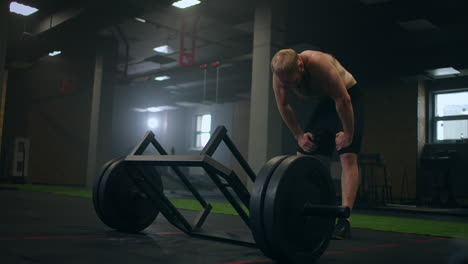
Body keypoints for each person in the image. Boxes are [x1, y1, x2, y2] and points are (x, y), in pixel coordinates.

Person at [271, 48, 363, 239]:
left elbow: (343, 100)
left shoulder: (319, 63)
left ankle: (344, 221)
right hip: (327, 101)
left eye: (292, 81)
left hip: (348, 96)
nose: (290, 86)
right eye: (285, 83)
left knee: (347, 154)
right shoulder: (280, 76)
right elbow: (284, 105)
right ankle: (309, 211)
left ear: (300, 66)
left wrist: (348, 134)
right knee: (304, 153)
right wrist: (298, 135)